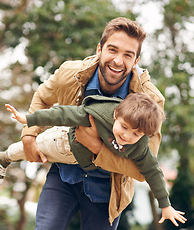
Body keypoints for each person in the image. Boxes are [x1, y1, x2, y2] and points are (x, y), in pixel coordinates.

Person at [2, 17, 173, 229]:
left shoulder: (151, 102)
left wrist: (97, 148)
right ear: (99, 49)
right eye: (112, 50)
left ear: (136, 61)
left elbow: (142, 169)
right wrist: (29, 135)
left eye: (128, 55)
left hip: (109, 189)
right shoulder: (70, 74)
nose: (118, 61)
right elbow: (44, 98)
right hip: (64, 173)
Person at [1, 93, 187, 227]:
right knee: (26, 150)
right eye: (124, 127)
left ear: (144, 135)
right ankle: (4, 159)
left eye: (136, 134)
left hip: (85, 163)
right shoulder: (99, 113)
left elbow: (153, 172)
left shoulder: (140, 147)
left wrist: (165, 205)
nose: (127, 136)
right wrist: (28, 118)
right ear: (116, 115)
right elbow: (63, 113)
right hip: (63, 142)